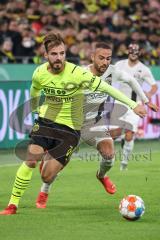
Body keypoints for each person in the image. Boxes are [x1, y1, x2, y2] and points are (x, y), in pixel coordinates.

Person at [0, 32, 147, 215]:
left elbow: (106, 87)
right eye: (54, 54)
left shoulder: (77, 73)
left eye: (62, 53)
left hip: (70, 130)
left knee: (46, 176)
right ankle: (12, 205)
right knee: (30, 158)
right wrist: (36, 108)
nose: (59, 58)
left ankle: (58, 165)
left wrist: (133, 105)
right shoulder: (39, 72)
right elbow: (35, 88)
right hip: (46, 122)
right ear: (46, 56)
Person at [35, 42, 158, 209]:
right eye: (101, 58)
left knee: (109, 155)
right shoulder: (80, 73)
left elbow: (130, 80)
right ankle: (45, 190)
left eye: (108, 58)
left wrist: (145, 100)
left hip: (95, 123)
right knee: (51, 172)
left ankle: (101, 176)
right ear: (92, 57)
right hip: (72, 125)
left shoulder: (112, 71)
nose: (105, 62)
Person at [112, 43, 158, 170]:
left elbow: (154, 86)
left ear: (139, 53)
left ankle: (124, 164)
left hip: (136, 105)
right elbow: (110, 77)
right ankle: (118, 140)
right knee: (115, 133)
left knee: (129, 135)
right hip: (120, 102)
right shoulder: (119, 65)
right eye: (131, 50)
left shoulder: (144, 69)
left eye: (136, 51)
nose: (133, 53)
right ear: (128, 51)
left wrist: (149, 93)